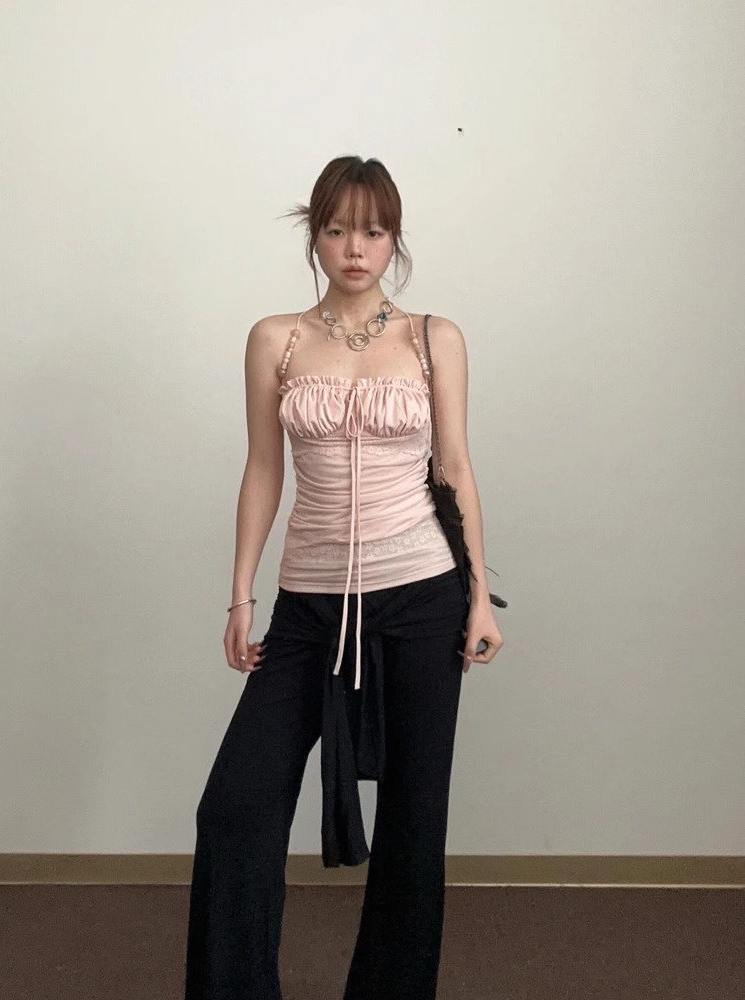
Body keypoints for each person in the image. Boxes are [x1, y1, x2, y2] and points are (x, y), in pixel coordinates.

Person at [184, 155, 504, 1000]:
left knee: (413, 823)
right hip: (308, 610)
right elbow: (263, 469)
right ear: (314, 236)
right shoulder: (276, 338)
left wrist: (479, 597)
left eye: (373, 231)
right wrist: (241, 593)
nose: (355, 248)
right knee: (235, 808)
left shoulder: (434, 337)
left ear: (394, 238)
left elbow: (456, 469)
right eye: (336, 230)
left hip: (423, 598)